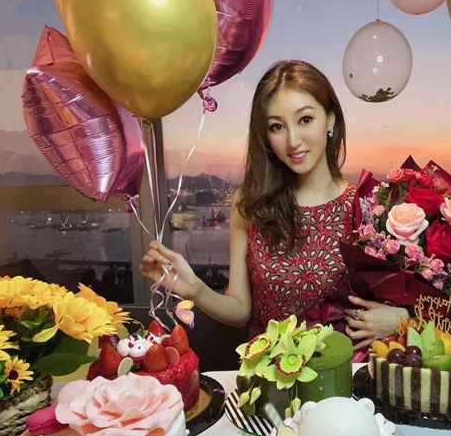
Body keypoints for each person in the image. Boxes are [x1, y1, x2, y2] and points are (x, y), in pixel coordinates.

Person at [139, 60, 407, 350]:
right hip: (266, 369)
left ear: (330, 119)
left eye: (305, 119)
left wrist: (403, 318)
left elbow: (412, 300)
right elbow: (240, 311)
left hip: (342, 371)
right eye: (277, 126)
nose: (293, 141)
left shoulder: (366, 207)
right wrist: (196, 290)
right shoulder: (249, 204)